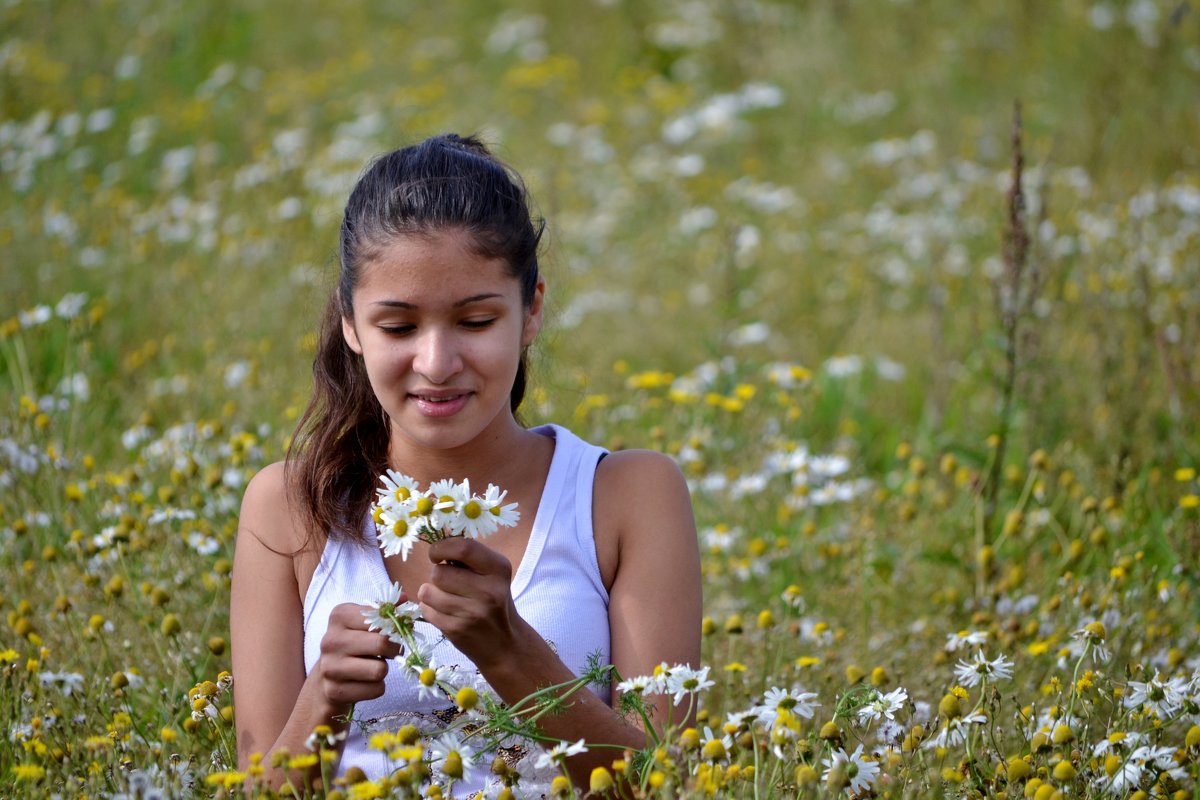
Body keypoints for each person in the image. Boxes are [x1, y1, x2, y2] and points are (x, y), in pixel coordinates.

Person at [230, 133, 702, 795]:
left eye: (475, 321)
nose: (437, 363)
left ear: (530, 309)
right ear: (351, 325)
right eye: (398, 328)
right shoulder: (289, 507)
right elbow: (258, 790)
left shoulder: (626, 495)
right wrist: (322, 703)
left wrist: (511, 650)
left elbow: (663, 784)